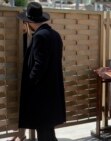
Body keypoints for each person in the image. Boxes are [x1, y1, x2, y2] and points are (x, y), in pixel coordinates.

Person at [16, 2, 66, 141]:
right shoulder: (54, 35)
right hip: (52, 91)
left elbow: (39, 64)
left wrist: (30, 83)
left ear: (29, 21)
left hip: (41, 93)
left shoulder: (39, 37)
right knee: (47, 131)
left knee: (44, 132)